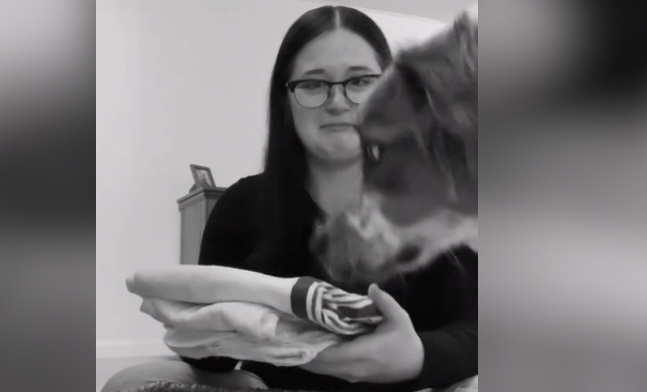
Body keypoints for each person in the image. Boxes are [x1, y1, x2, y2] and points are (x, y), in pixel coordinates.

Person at [102, 5, 477, 392]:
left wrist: (415, 357)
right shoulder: (242, 205)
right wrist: (210, 320)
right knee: (134, 382)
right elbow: (213, 359)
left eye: (361, 80)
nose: (338, 100)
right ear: (286, 100)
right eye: (314, 84)